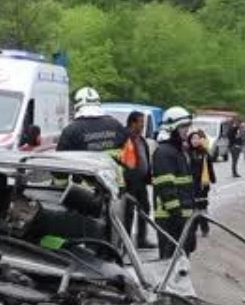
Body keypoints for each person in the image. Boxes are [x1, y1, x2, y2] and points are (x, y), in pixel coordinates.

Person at [56, 86, 129, 187]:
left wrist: (60, 188)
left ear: (77, 105)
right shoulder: (116, 125)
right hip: (114, 186)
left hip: (85, 192)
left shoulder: (70, 130)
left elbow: (59, 169)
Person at [153, 106, 198, 259]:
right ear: (171, 128)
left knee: (181, 268)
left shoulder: (178, 151)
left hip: (181, 220)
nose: (187, 130)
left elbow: (186, 189)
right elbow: (167, 189)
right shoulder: (164, 153)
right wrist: (179, 220)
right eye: (183, 127)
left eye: (187, 126)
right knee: (169, 268)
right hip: (170, 220)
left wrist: (190, 226)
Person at [121, 111, 154, 249]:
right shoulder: (124, 137)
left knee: (145, 208)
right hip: (129, 182)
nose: (143, 125)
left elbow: (144, 158)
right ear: (133, 122)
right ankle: (126, 242)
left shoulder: (141, 139)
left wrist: (148, 176)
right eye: (141, 122)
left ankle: (141, 239)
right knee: (128, 212)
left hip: (141, 182)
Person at [188, 129, 217, 238]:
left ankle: (205, 228)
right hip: (190, 184)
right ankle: (193, 227)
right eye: (192, 138)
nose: (195, 141)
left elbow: (210, 168)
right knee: (193, 207)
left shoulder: (204, 153)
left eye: (197, 138)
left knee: (202, 207)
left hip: (202, 184)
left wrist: (213, 180)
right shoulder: (186, 153)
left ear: (201, 140)